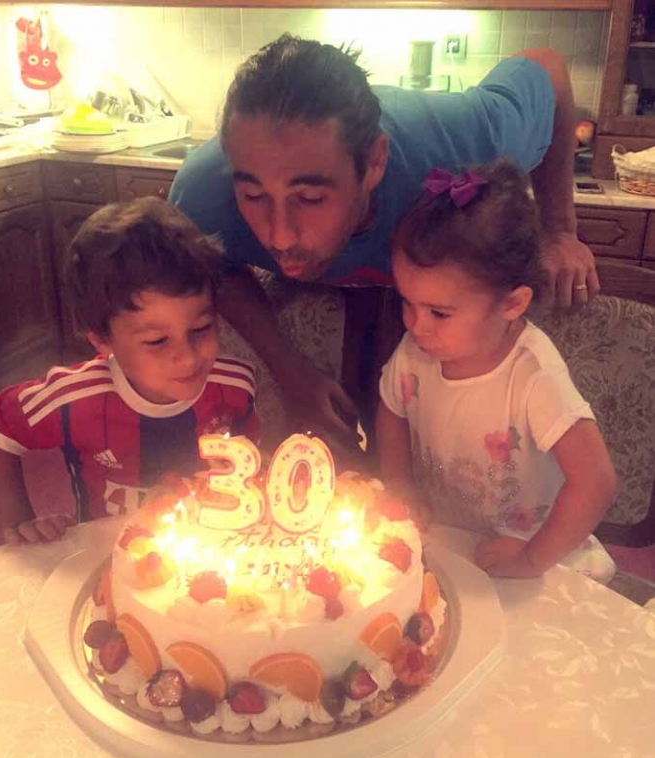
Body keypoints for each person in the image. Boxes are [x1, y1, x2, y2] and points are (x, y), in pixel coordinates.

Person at [169, 34, 598, 445]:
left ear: (375, 162)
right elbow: (215, 268)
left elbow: (547, 68)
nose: (278, 235)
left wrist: (560, 228)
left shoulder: (470, 143)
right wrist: (292, 374)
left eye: (311, 198)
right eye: (253, 196)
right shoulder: (202, 195)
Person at [375, 159, 617, 583]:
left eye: (438, 312)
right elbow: (392, 409)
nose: (416, 325)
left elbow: (596, 481)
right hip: (452, 543)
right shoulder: (416, 352)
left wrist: (532, 558)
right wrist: (400, 486)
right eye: (407, 302)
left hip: (539, 555)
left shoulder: (533, 376)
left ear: (512, 304)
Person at [0, 197, 259, 545]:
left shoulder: (236, 384)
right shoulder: (73, 398)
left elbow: (248, 453)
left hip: (209, 553)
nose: (187, 358)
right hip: (105, 557)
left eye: (201, 328)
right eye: (157, 341)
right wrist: (18, 521)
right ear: (102, 340)